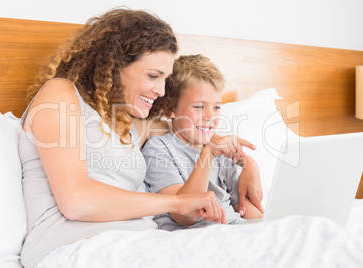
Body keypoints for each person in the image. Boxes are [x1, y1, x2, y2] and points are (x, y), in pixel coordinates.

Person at [19, 8, 262, 268]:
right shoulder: (60, 94)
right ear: (114, 64)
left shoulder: (129, 123)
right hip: (75, 245)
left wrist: (246, 162)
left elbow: (189, 128)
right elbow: (76, 201)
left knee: (264, 246)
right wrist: (178, 202)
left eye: (165, 79)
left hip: (142, 242)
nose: (161, 90)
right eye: (153, 76)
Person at [142, 55, 263, 231]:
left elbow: (245, 210)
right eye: (199, 107)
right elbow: (183, 215)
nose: (210, 117)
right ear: (170, 109)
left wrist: (269, 227)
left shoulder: (221, 152)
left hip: (235, 230)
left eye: (217, 107)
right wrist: (208, 154)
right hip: (195, 234)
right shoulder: (159, 149)